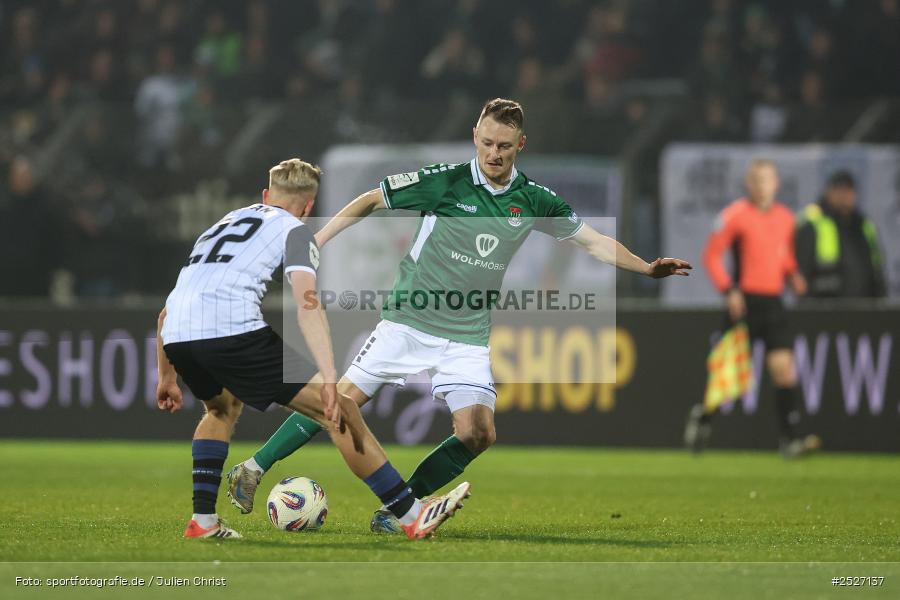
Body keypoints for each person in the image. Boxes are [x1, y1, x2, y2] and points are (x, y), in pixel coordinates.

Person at [226, 99, 692, 533]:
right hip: (407, 321)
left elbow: (592, 241)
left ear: (520, 146)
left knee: (478, 432)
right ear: (475, 136)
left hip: (466, 335)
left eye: (505, 146)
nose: (494, 153)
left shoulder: (534, 199)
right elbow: (370, 199)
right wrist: (318, 239)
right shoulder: (445, 181)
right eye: (487, 143)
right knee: (337, 405)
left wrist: (646, 267)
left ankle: (400, 509)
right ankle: (253, 468)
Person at [156, 158, 470, 540]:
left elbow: (165, 312)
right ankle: (411, 514)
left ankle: (202, 522)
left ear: (266, 195)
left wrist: (167, 375)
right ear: (309, 207)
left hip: (177, 331)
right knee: (339, 410)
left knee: (221, 407)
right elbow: (306, 302)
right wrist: (329, 378)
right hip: (230, 327)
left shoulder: (222, 224)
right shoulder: (296, 231)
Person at [685, 159, 820, 458]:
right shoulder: (734, 216)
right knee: (726, 375)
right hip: (743, 302)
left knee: (784, 370)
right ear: (749, 184)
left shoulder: (786, 218)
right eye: (756, 180)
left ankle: (789, 440)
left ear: (776, 184)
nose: (761, 186)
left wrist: (793, 273)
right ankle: (703, 417)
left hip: (773, 302)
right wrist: (729, 290)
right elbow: (711, 256)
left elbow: (781, 255)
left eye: (767, 180)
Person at [795, 170, 886, 299]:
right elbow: (802, 272)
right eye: (839, 190)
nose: (844, 196)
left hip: (863, 306)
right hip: (824, 308)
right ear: (829, 192)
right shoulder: (813, 223)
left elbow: (877, 266)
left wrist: (881, 297)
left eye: (848, 190)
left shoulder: (864, 225)